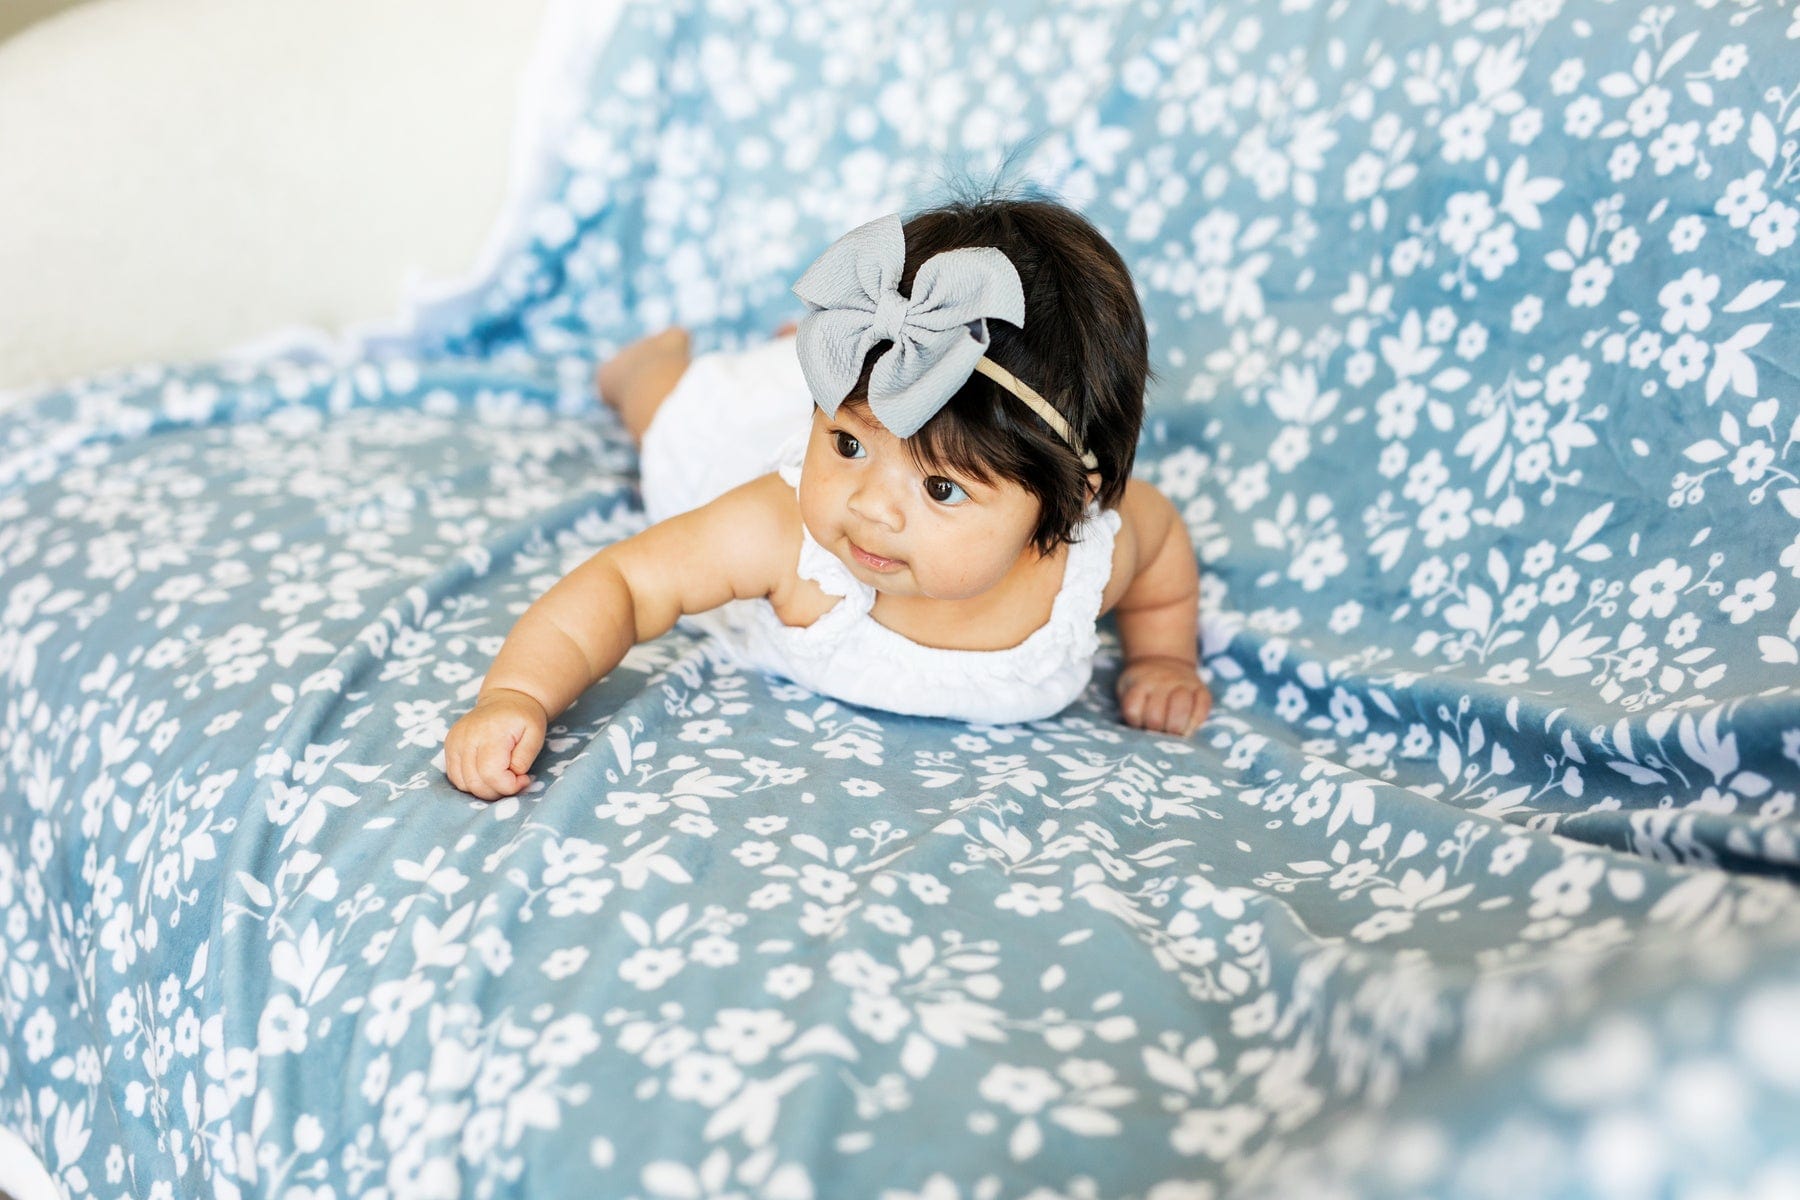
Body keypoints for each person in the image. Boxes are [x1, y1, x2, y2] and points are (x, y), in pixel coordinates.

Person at [444, 197, 1211, 801]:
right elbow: (625, 582)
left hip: (851, 402)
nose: (871, 508)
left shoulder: (1094, 558)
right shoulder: (782, 533)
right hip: (740, 438)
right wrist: (518, 694)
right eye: (847, 447)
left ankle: (806, 374)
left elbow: (1163, 548)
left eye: (941, 488)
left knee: (854, 414)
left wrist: (1163, 657)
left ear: (1073, 501)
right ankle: (649, 365)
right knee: (675, 417)